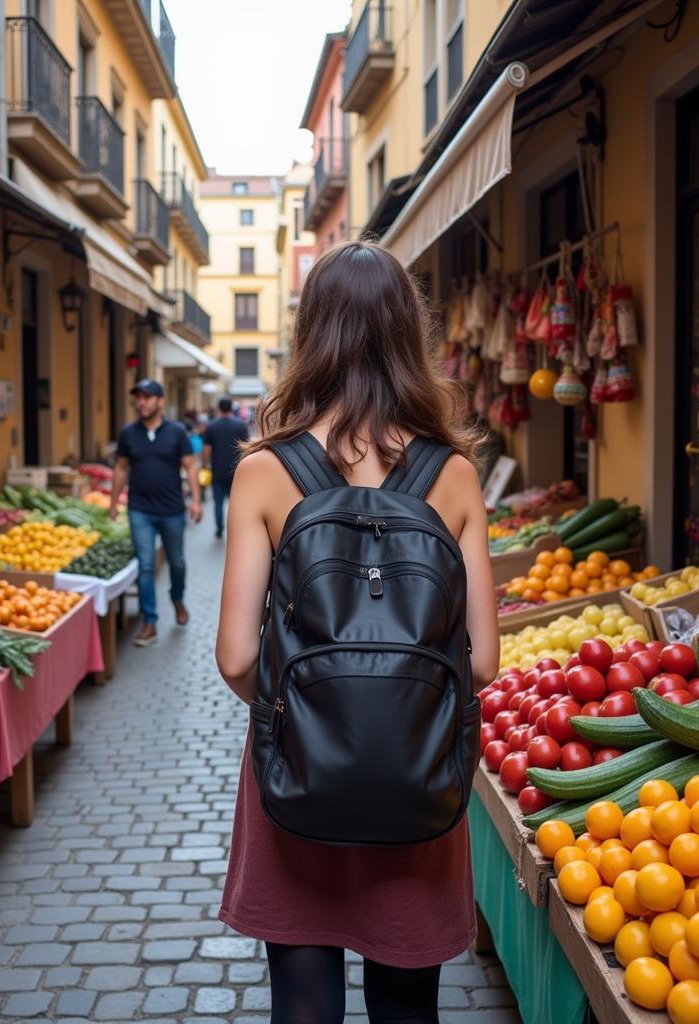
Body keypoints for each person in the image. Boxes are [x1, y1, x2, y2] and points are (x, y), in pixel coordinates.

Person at [214, 241, 499, 1023]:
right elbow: (482, 663)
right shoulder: (455, 474)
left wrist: (307, 714)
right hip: (416, 775)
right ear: (411, 335)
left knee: (303, 1007)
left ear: (312, 335)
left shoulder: (265, 471)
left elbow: (238, 656)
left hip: (297, 775)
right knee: (407, 1007)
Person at [111, 379, 202, 647]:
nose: (142, 402)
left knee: (177, 562)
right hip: (139, 509)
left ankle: (177, 598)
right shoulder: (128, 433)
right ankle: (149, 621)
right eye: (138, 397)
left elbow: (190, 467)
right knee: (146, 565)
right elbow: (120, 468)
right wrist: (113, 502)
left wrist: (196, 500)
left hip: (172, 509)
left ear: (160, 401)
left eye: (148, 397)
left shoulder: (176, 432)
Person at [203, 397, 250, 538]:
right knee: (235, 503)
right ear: (231, 408)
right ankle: (234, 529)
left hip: (217, 470)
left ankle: (219, 528)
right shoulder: (240, 425)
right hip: (236, 471)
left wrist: (205, 464)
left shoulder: (211, 426)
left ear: (219, 408)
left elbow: (206, 450)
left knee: (217, 502)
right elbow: (246, 448)